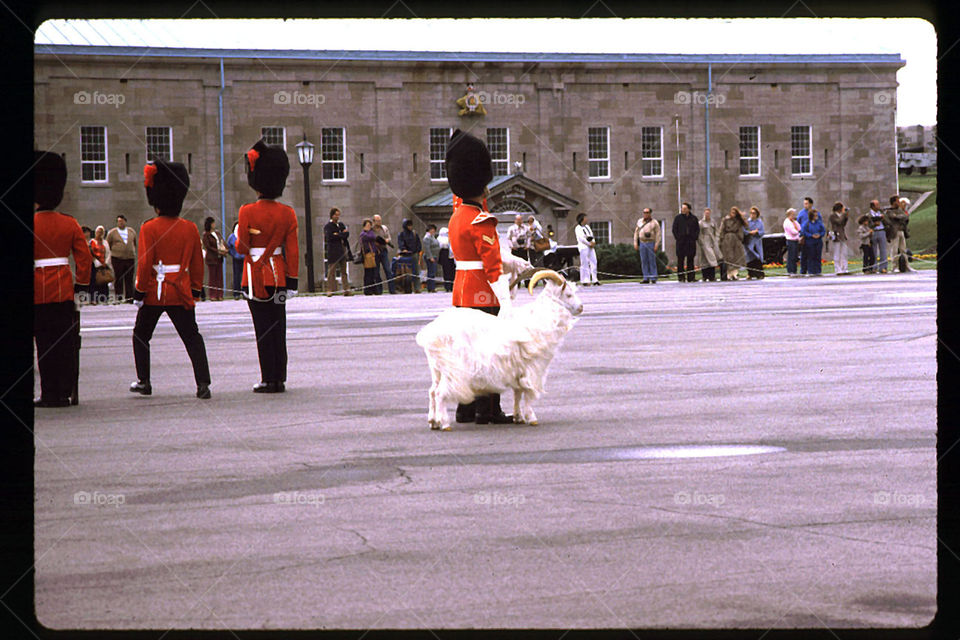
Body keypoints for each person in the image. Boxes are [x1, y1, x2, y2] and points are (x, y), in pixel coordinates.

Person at [445, 129, 513, 425]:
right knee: (490, 351)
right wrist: (506, 299)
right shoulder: (481, 220)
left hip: (461, 291)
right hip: (484, 292)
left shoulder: (457, 214)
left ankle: (465, 407)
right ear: (481, 185)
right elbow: (492, 265)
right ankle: (488, 409)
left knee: (467, 351)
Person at [130, 159, 211, 399]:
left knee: (141, 335)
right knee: (192, 337)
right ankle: (203, 383)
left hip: (155, 292)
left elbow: (145, 264)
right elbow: (197, 263)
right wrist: (195, 290)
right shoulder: (189, 228)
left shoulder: (149, 227)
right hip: (180, 290)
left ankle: (144, 381)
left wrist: (139, 292)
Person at [237, 139, 300, 393]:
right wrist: (292, 280)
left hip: (254, 275)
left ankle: (267, 378)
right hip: (278, 275)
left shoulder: (247, 211)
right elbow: (293, 250)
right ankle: (279, 378)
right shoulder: (288, 212)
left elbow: (242, 248)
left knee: (262, 328)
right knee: (278, 326)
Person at [32, 151, 92, 408]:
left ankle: (48, 394)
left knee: (44, 346)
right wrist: (81, 287)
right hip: (64, 290)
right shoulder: (70, 223)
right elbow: (84, 259)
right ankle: (64, 391)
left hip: (37, 292)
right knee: (64, 344)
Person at [106, 214, 137, 303]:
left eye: (122, 221)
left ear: (125, 221)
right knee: (119, 277)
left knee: (129, 278)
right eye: (119, 221)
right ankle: (119, 297)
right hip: (117, 258)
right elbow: (108, 243)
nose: (120, 223)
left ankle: (129, 297)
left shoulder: (131, 231)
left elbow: (134, 242)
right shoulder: (112, 232)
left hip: (130, 258)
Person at [323, 207, 352, 296]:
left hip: (342, 250)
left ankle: (346, 289)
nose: (337, 216)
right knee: (331, 271)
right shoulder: (328, 226)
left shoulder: (341, 225)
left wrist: (338, 234)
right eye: (336, 215)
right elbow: (330, 237)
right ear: (332, 215)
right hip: (333, 251)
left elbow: (346, 234)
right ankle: (329, 290)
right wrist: (340, 234)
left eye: (338, 215)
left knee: (344, 271)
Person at [884, 195, 915, 273]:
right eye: (898, 201)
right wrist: (899, 217)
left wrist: (898, 217)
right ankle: (895, 266)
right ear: (894, 202)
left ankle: (907, 265)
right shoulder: (889, 211)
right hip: (894, 232)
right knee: (894, 250)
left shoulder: (900, 210)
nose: (899, 203)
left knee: (903, 250)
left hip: (901, 231)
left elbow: (905, 217)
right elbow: (892, 218)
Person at [672, 202, 700, 282]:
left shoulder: (694, 218)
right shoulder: (678, 218)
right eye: (682, 208)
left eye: (684, 208)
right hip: (681, 242)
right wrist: (678, 238)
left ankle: (691, 277)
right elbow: (674, 229)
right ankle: (681, 277)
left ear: (688, 209)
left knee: (690, 260)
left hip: (690, 242)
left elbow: (697, 230)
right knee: (680, 260)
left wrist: (694, 237)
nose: (683, 210)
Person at [202, 216, 227, 300]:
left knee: (219, 277)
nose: (214, 224)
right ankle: (212, 295)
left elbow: (222, 241)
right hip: (212, 258)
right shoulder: (206, 235)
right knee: (213, 277)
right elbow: (208, 246)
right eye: (212, 223)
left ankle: (220, 295)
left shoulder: (217, 233)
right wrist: (217, 251)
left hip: (219, 258)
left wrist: (224, 249)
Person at [719, 206, 748, 280]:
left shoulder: (738, 221)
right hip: (727, 239)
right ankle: (729, 274)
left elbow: (740, 230)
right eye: (732, 212)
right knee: (728, 257)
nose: (733, 214)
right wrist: (721, 239)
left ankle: (734, 274)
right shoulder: (725, 220)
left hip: (735, 239)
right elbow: (722, 230)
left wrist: (740, 238)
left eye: (734, 213)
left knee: (736, 257)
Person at [633, 208, 660, 284]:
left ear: (650, 213)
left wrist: (656, 244)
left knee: (652, 260)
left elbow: (658, 234)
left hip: (651, 242)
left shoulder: (654, 222)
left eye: (647, 212)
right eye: (644, 212)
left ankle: (653, 277)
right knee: (644, 260)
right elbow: (636, 232)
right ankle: (646, 277)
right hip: (642, 242)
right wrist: (635, 243)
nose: (645, 214)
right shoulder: (639, 221)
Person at [371, 214, 395, 294]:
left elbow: (388, 237)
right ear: (374, 221)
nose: (379, 222)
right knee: (376, 271)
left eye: (380, 220)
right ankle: (379, 290)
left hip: (383, 250)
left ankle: (392, 289)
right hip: (375, 251)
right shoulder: (371, 230)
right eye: (377, 221)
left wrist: (386, 240)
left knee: (388, 269)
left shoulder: (384, 228)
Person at [397, 218, 422, 292]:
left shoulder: (414, 233)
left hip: (414, 254)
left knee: (416, 271)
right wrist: (404, 249)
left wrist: (417, 250)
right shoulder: (401, 234)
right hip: (405, 255)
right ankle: (407, 288)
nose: (410, 227)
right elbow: (400, 243)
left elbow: (418, 243)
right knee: (406, 272)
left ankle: (417, 288)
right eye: (408, 225)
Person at [697, 207, 721, 281]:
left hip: (712, 241)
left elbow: (716, 231)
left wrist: (716, 239)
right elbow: (699, 233)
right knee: (705, 260)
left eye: (708, 213)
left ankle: (712, 276)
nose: (707, 214)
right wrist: (701, 242)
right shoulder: (701, 223)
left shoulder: (713, 222)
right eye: (706, 213)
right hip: (704, 241)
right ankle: (705, 276)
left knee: (712, 258)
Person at [359, 218, 382, 295]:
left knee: (374, 272)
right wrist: (368, 231)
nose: (369, 227)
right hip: (367, 254)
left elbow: (373, 236)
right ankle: (367, 289)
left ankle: (373, 289)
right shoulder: (363, 234)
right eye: (367, 225)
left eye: (370, 225)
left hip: (373, 254)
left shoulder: (371, 233)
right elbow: (370, 237)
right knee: (368, 273)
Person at [575, 212, 599, 285]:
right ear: (582, 219)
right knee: (584, 263)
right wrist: (589, 244)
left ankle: (595, 279)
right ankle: (585, 280)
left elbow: (591, 235)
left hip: (591, 247)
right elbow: (581, 238)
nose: (587, 219)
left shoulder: (587, 227)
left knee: (594, 261)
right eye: (585, 218)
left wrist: (593, 242)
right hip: (583, 247)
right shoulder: (578, 228)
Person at [801, 209, 825, 275]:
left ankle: (818, 271)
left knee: (818, 256)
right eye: (815, 215)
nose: (816, 217)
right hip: (810, 242)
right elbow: (804, 231)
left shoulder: (819, 223)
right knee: (811, 257)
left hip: (818, 242)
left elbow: (823, 230)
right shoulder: (807, 223)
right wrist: (811, 235)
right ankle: (811, 271)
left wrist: (820, 235)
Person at [796, 197, 817, 275]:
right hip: (804, 236)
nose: (805, 205)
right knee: (804, 255)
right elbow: (797, 224)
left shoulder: (815, 212)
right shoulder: (801, 213)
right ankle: (803, 270)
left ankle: (813, 270)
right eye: (804, 203)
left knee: (813, 254)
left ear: (811, 204)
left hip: (813, 236)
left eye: (807, 203)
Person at [828, 202, 850, 275]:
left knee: (844, 252)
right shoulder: (833, 216)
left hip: (842, 234)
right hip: (836, 235)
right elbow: (839, 222)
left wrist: (846, 217)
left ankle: (844, 268)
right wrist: (844, 215)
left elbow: (843, 224)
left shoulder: (842, 215)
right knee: (837, 252)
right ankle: (837, 269)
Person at [867, 200, 889, 273]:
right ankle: (874, 267)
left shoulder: (881, 213)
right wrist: (874, 224)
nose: (879, 206)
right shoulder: (868, 215)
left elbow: (887, 222)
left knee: (883, 250)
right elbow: (868, 225)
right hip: (874, 232)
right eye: (877, 205)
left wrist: (883, 218)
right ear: (873, 206)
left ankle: (883, 267)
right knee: (874, 251)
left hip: (881, 231)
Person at [744, 206, 765, 279]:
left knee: (757, 258)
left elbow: (762, 232)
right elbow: (744, 231)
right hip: (749, 243)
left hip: (757, 243)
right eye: (751, 213)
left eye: (754, 213)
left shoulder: (760, 222)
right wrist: (750, 232)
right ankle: (750, 274)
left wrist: (757, 232)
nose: (752, 215)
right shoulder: (747, 222)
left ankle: (759, 274)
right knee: (750, 259)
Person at [227, 220, 244, 299]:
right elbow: (228, 247)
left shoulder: (243, 236)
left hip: (244, 258)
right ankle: (236, 293)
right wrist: (233, 254)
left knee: (244, 276)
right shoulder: (232, 237)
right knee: (236, 276)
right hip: (236, 259)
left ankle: (245, 292)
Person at [783, 208, 802, 276]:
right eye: (793, 214)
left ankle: (794, 270)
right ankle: (790, 270)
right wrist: (798, 232)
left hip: (796, 240)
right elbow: (793, 232)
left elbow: (799, 228)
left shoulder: (794, 221)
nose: (794, 216)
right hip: (790, 240)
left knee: (795, 256)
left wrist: (797, 229)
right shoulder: (787, 222)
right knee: (791, 256)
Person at [422, 224, 440, 292]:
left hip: (434, 256)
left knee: (433, 271)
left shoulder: (432, 237)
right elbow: (427, 248)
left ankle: (432, 287)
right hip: (430, 257)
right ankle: (431, 287)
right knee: (431, 272)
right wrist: (430, 257)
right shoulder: (427, 237)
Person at [437, 226, 455, 292]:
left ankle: (453, 285)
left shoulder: (451, 238)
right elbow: (441, 245)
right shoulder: (440, 239)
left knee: (452, 270)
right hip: (444, 255)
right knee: (446, 271)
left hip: (452, 255)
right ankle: (447, 286)